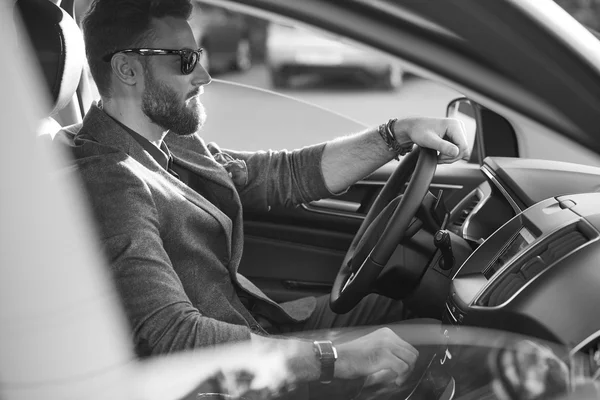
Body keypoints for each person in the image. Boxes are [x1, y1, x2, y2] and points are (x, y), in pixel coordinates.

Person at [69, 0, 469, 394]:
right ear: (127, 68)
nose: (205, 75)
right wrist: (334, 359)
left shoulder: (171, 141)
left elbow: (282, 175)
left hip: (260, 329)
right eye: (185, 61)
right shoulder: (108, 181)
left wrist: (396, 133)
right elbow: (172, 338)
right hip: (232, 381)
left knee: (417, 318)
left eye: (199, 56)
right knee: (442, 347)